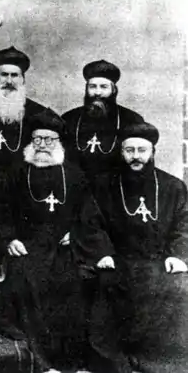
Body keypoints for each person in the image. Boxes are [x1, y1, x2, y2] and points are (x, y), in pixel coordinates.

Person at [0, 109, 114, 373]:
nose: (42, 145)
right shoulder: (15, 173)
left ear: (59, 143)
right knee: (25, 278)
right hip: (27, 245)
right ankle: (42, 361)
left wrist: (77, 234)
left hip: (64, 246)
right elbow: (1, 212)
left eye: (49, 140)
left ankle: (71, 361)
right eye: (37, 139)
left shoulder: (75, 175)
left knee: (74, 283)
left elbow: (89, 216)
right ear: (30, 142)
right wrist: (9, 239)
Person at [89, 122, 188, 373]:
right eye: (129, 150)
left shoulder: (173, 186)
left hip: (159, 259)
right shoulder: (103, 185)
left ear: (153, 152)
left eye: (142, 150)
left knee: (178, 287)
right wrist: (103, 252)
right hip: (117, 258)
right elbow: (91, 223)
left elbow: (184, 225)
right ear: (121, 152)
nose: (136, 157)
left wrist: (178, 255)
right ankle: (114, 361)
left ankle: (158, 362)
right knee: (106, 285)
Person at [62, 60, 145, 182]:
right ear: (86, 89)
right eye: (92, 87)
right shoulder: (69, 118)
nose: (97, 92)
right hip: (77, 188)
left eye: (104, 87)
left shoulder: (132, 119)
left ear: (114, 90)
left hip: (116, 188)